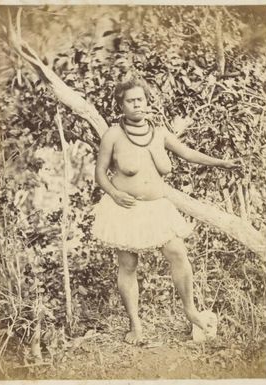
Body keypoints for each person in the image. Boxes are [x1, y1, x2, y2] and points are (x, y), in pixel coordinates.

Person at [92, 76, 241, 344]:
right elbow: (100, 173)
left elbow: (189, 154)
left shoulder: (159, 132)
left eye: (141, 99)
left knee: (178, 253)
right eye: (131, 100)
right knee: (128, 264)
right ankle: (136, 327)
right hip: (125, 207)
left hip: (157, 208)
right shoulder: (113, 135)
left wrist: (221, 162)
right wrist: (114, 193)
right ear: (121, 105)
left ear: (147, 102)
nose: (137, 104)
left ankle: (192, 313)